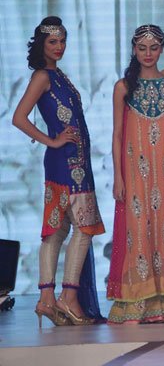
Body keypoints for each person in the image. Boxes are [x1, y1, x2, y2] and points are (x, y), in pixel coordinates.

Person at [12, 16, 105, 327]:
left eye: (63, 41)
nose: (59, 47)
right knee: (83, 227)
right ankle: (68, 296)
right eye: (53, 42)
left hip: (72, 161)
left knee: (59, 230)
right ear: (42, 45)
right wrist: (51, 140)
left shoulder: (57, 74)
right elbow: (19, 118)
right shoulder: (42, 76)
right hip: (66, 164)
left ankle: (47, 299)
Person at [107, 24, 164, 324]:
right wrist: (118, 177)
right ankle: (139, 301)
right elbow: (117, 135)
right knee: (138, 231)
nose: (148, 53)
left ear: (161, 50)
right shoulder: (123, 87)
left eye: (154, 48)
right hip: (137, 174)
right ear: (134, 50)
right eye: (142, 48)